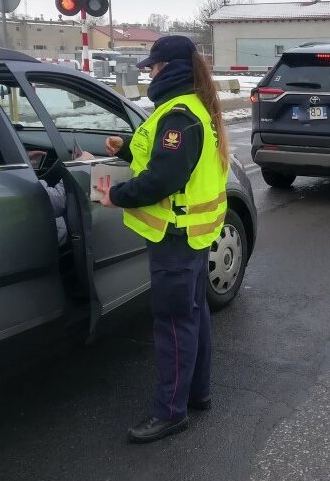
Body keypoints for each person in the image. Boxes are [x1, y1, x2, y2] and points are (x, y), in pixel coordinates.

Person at [94, 35, 229, 444]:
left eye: (151, 67)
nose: (148, 74)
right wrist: (124, 153)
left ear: (168, 68)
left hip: (175, 236)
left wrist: (115, 195)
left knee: (173, 325)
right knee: (192, 315)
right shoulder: (191, 107)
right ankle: (197, 393)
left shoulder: (177, 115)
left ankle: (170, 412)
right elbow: (167, 162)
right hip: (192, 234)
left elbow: (163, 178)